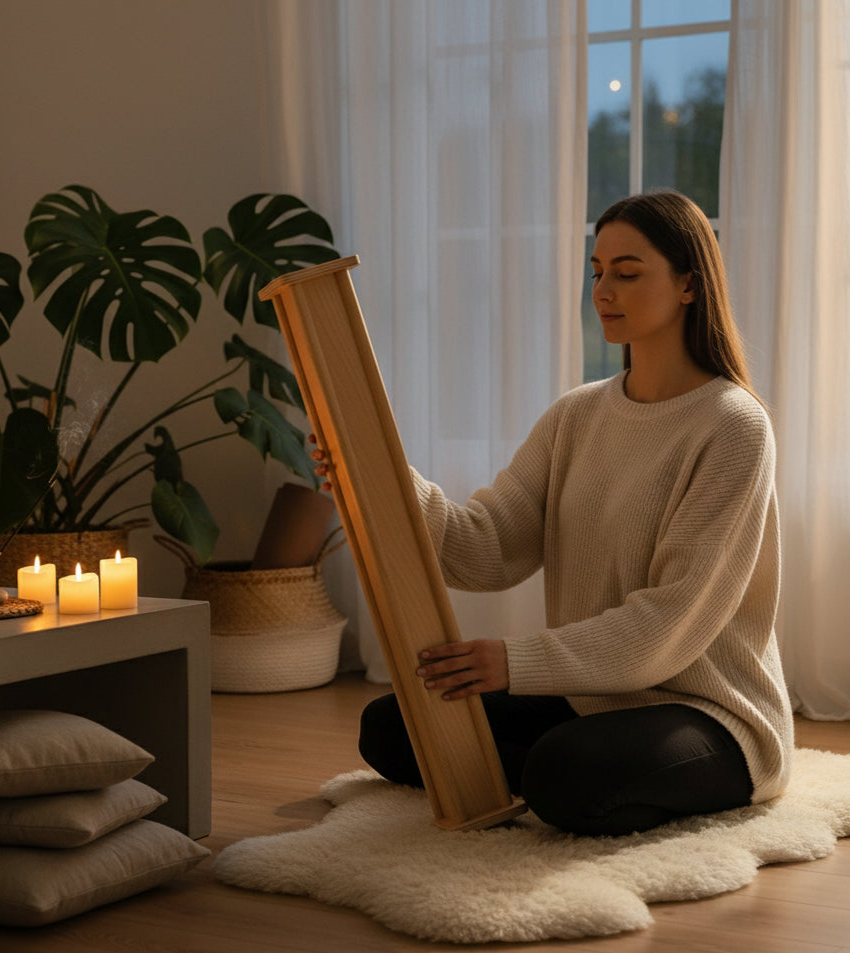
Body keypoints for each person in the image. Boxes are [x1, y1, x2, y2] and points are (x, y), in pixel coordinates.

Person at [312, 190, 793, 837]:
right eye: (596, 271)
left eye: (626, 272)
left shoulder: (732, 425)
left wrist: (513, 660)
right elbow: (482, 549)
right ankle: (553, 770)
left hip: (709, 709)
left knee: (565, 773)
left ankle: (560, 772)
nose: (603, 289)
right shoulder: (576, 415)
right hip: (592, 697)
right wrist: (378, 476)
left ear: (687, 283)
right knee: (393, 725)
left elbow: (664, 627)